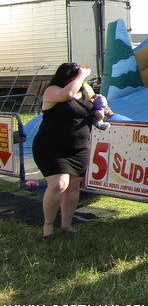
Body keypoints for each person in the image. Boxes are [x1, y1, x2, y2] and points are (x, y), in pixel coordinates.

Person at [32, 63, 99, 237]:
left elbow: (95, 107)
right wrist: (81, 76)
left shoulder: (86, 90)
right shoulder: (52, 91)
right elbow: (67, 94)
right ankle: (48, 226)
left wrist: (102, 111)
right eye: (74, 76)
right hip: (51, 147)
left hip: (78, 149)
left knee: (73, 186)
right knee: (59, 184)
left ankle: (66, 225)